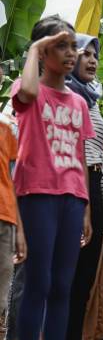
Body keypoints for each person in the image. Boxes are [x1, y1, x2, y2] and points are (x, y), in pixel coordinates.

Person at [11, 15, 95, 340]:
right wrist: (32, 48)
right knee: (39, 284)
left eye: (72, 45)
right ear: (43, 51)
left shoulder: (78, 103)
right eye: (61, 45)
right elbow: (27, 92)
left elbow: (80, 155)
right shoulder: (27, 89)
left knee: (63, 286)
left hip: (72, 197)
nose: (71, 52)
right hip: (37, 194)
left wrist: (87, 207)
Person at [62, 33, 103, 340]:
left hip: (95, 187)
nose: (92, 60)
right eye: (84, 54)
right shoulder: (66, 95)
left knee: (83, 281)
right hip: (73, 186)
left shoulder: (91, 98)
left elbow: (100, 155)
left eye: (95, 54)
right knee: (67, 278)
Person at [0, 114, 26, 327]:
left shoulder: (6, 128)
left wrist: (19, 227)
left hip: (6, 215)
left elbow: (12, 179)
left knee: (2, 290)